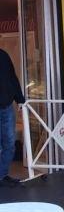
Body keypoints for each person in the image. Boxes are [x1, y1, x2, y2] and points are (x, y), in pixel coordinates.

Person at [0, 48, 24, 187]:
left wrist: (20, 99)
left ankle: (1, 175)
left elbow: (12, 77)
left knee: (9, 144)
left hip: (6, 106)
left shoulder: (3, 55)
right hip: (6, 105)